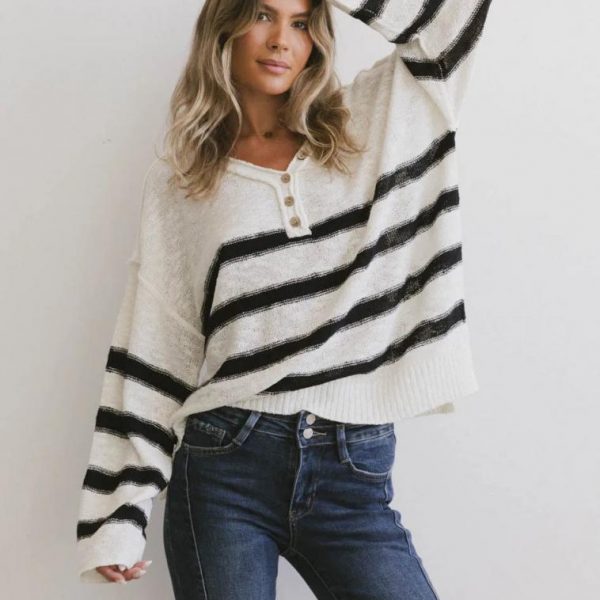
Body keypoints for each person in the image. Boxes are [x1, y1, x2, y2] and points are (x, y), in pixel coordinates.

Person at [76, 0, 493, 596]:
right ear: (225, 26)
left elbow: (455, 16)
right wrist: (118, 515)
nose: (281, 40)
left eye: (300, 23)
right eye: (262, 16)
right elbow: (156, 343)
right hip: (225, 466)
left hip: (354, 468)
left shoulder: (371, 121)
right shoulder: (184, 178)